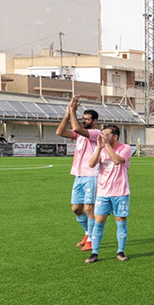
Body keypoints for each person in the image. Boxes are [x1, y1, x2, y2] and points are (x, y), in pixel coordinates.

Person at [55, 96, 100, 251]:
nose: (84, 121)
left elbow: (77, 128)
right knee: (76, 208)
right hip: (79, 175)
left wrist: (73, 111)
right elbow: (60, 131)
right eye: (83, 118)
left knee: (89, 208)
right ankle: (87, 233)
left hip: (92, 175)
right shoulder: (79, 134)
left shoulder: (95, 133)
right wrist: (68, 114)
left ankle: (92, 240)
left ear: (94, 121)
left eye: (87, 119)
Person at [85, 125, 131, 263]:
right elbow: (91, 164)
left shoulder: (125, 148)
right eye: (102, 133)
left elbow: (117, 161)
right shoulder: (101, 149)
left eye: (106, 134)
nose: (102, 136)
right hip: (103, 192)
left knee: (120, 221)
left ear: (115, 137)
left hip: (120, 192)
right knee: (98, 222)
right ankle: (94, 252)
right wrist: (99, 148)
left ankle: (120, 251)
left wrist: (107, 146)